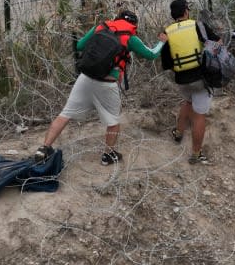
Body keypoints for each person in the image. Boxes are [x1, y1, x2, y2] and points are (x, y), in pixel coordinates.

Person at [34, 9, 164, 165]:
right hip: (107, 84)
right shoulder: (131, 37)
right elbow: (151, 55)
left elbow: (80, 45)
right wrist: (162, 42)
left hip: (85, 77)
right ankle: (108, 155)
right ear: (133, 24)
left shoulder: (101, 27)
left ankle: (44, 149)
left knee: (65, 114)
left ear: (116, 19)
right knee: (113, 121)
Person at [160, 0, 219, 165]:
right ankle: (196, 154)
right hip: (200, 78)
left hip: (181, 79)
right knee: (199, 116)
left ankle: (178, 133)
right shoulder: (197, 25)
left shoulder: (167, 31)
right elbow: (217, 42)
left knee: (187, 102)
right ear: (186, 11)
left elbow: (166, 63)